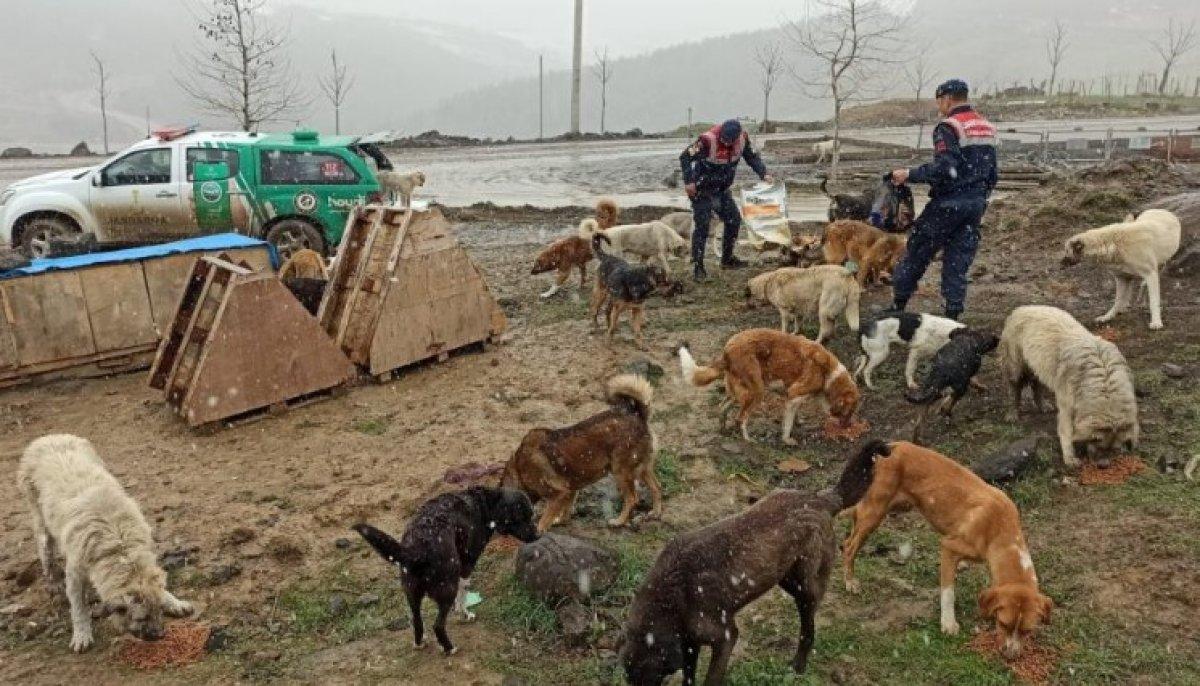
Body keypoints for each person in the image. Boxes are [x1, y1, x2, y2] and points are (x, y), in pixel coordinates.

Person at [886, 79, 997, 320]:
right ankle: (953, 313)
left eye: (939, 101)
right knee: (959, 256)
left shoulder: (948, 127)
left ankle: (898, 305)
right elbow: (992, 173)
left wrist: (910, 174)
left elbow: (945, 168)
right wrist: (978, 197)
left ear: (946, 98)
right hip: (975, 204)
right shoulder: (986, 127)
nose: (939, 106)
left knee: (917, 250)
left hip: (948, 204)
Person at [679, 119, 774, 281]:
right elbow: (685, 158)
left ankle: (727, 259)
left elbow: (752, 157)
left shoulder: (743, 139)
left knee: (734, 220)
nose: (725, 142)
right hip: (702, 189)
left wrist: (763, 173)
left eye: (729, 141)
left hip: (722, 189)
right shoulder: (706, 141)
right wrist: (689, 182)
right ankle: (698, 267)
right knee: (702, 226)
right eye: (723, 139)